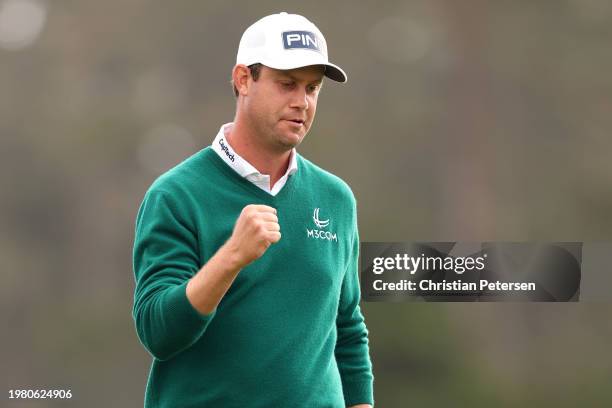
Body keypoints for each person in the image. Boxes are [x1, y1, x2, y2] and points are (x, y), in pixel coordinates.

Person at [132, 12, 374, 408]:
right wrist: (231, 257)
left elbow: (347, 328)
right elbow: (159, 332)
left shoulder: (336, 198)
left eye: (312, 88)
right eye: (286, 84)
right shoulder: (176, 195)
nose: (302, 102)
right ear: (244, 80)